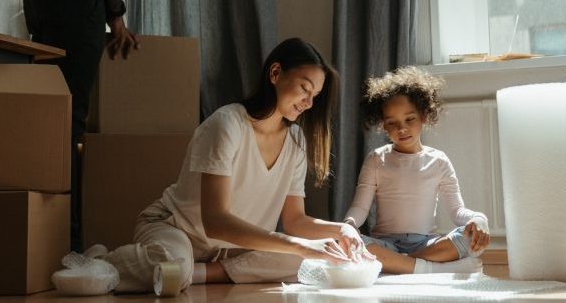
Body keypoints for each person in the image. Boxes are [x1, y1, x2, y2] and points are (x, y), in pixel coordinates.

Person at [69, 38, 375, 296]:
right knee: (176, 266)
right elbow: (215, 222)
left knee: (309, 262)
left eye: (315, 96)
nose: (308, 103)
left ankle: (197, 273)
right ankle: (103, 262)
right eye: (304, 88)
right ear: (275, 73)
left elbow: (295, 221)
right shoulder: (228, 123)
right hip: (176, 229)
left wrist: (342, 229)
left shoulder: (296, 140)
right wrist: (301, 245)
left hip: (229, 249)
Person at [23, 0, 139, 251]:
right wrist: (116, 13)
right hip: (76, 0)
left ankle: (39, 234)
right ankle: (65, 243)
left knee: (48, 118)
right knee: (67, 123)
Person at [342, 67, 490, 275]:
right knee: (350, 243)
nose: (401, 129)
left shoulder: (439, 161)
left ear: (424, 116)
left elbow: (457, 211)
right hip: (385, 244)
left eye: (409, 119)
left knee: (468, 238)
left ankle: (399, 265)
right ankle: (432, 268)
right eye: (392, 123)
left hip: (426, 245)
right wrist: (348, 226)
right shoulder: (376, 159)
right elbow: (360, 208)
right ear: (384, 126)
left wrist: (479, 219)